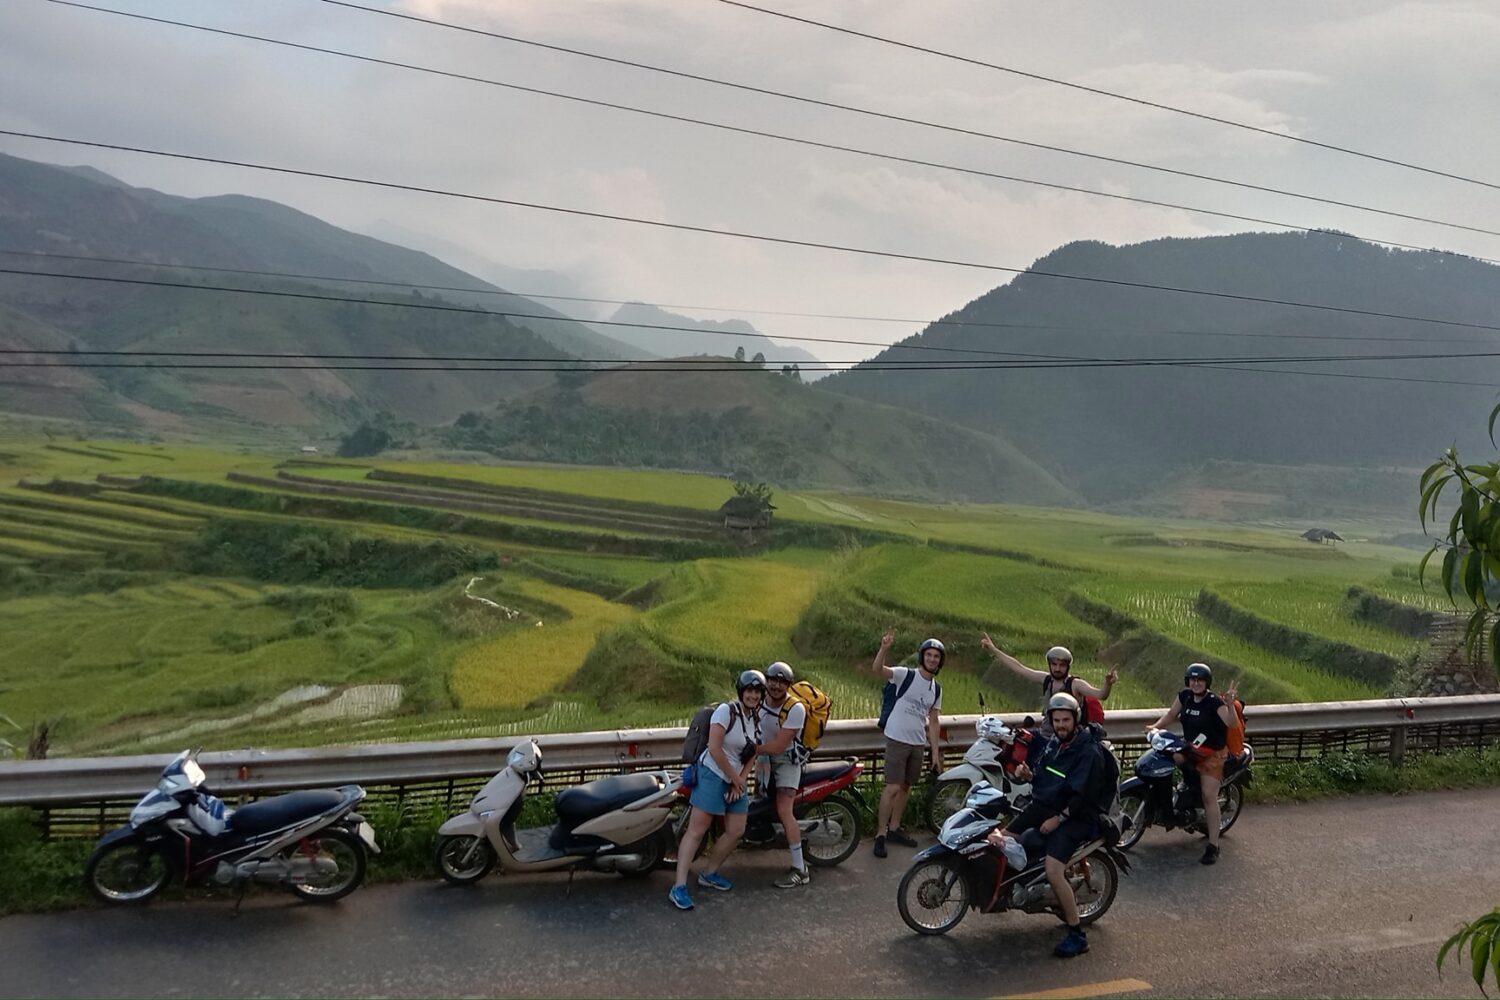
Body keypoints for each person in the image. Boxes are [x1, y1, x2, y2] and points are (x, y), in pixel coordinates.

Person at [986, 692, 1104, 959]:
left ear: (1075, 720)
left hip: (1077, 817)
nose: (1061, 724)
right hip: (1047, 804)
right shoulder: (1054, 744)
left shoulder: (1088, 752)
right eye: (1056, 719)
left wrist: (1057, 819)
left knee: (1053, 869)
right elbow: (1048, 776)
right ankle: (1006, 894)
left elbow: (1083, 796)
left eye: (1065, 719)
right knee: (1002, 838)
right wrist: (1030, 775)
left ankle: (1077, 935)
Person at [670, 669, 765, 910]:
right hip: (712, 774)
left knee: (736, 829)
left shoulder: (756, 718)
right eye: (750, 691)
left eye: (757, 692)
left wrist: (741, 780)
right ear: (741, 691)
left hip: (735, 778)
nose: (753, 696)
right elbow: (714, 749)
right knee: (697, 830)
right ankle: (678, 886)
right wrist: (734, 779)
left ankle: (709, 873)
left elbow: (753, 752)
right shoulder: (726, 711)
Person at [1146, 662, 1241, 866]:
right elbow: (1171, 715)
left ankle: (1213, 845)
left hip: (1212, 755)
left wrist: (1230, 704)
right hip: (1192, 748)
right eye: (1192, 679)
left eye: (1200, 680)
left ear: (1207, 683)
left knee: (1208, 796)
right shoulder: (1185, 696)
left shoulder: (1215, 703)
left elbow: (1231, 723)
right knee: (1169, 758)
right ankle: (1172, 803)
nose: (1196, 683)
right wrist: (1154, 727)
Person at [868, 629, 944, 859]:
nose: (932, 659)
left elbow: (933, 720)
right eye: (929, 655)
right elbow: (878, 670)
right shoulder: (906, 675)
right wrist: (884, 648)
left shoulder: (936, 689)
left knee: (905, 787)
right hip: (897, 738)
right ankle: (880, 835)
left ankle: (895, 828)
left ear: (940, 661)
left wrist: (935, 753)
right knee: (891, 787)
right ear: (923, 657)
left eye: (936, 656)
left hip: (917, 743)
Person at [979, 635, 1117, 735]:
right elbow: (1019, 668)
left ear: (1067, 667)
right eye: (1054, 664)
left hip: (1067, 737)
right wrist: (994, 649)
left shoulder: (1075, 685)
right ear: (1049, 665)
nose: (1057, 669)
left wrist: (1107, 684)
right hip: (1045, 734)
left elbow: (1101, 695)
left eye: (1061, 665)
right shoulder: (1046, 680)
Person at [752, 661, 810, 888]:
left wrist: (750, 749)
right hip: (764, 758)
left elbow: (778, 746)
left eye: (781, 682)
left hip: (786, 760)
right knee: (760, 800)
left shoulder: (795, 708)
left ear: (788, 685)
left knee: (784, 810)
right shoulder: (759, 700)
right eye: (772, 680)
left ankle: (800, 869)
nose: (776, 686)